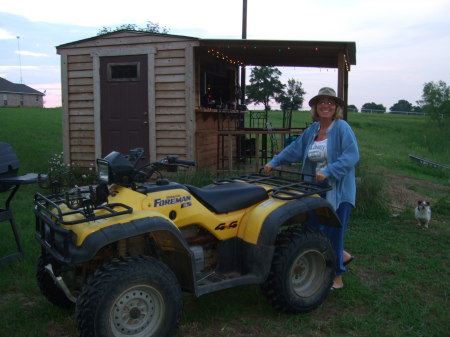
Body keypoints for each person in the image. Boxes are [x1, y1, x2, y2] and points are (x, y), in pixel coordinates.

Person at [264, 87, 359, 290]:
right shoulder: (313, 130)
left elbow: (351, 156)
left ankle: (337, 277)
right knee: (313, 229)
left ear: (336, 108)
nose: (326, 106)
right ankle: (341, 255)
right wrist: (275, 162)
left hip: (337, 190)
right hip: (314, 189)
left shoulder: (342, 128)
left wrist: (330, 171)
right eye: (321, 102)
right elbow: (294, 149)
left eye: (330, 102)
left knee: (334, 232)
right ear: (315, 107)